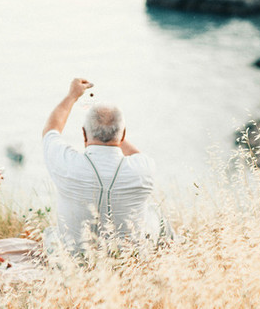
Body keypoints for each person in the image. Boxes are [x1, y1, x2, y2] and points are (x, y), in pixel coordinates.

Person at [42, 77, 168, 254]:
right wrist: (112, 130)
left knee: (50, 233)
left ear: (84, 134)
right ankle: (174, 257)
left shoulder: (67, 164)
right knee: (155, 213)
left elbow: (51, 131)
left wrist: (72, 96)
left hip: (72, 264)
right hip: (129, 261)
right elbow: (136, 154)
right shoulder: (144, 168)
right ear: (123, 135)